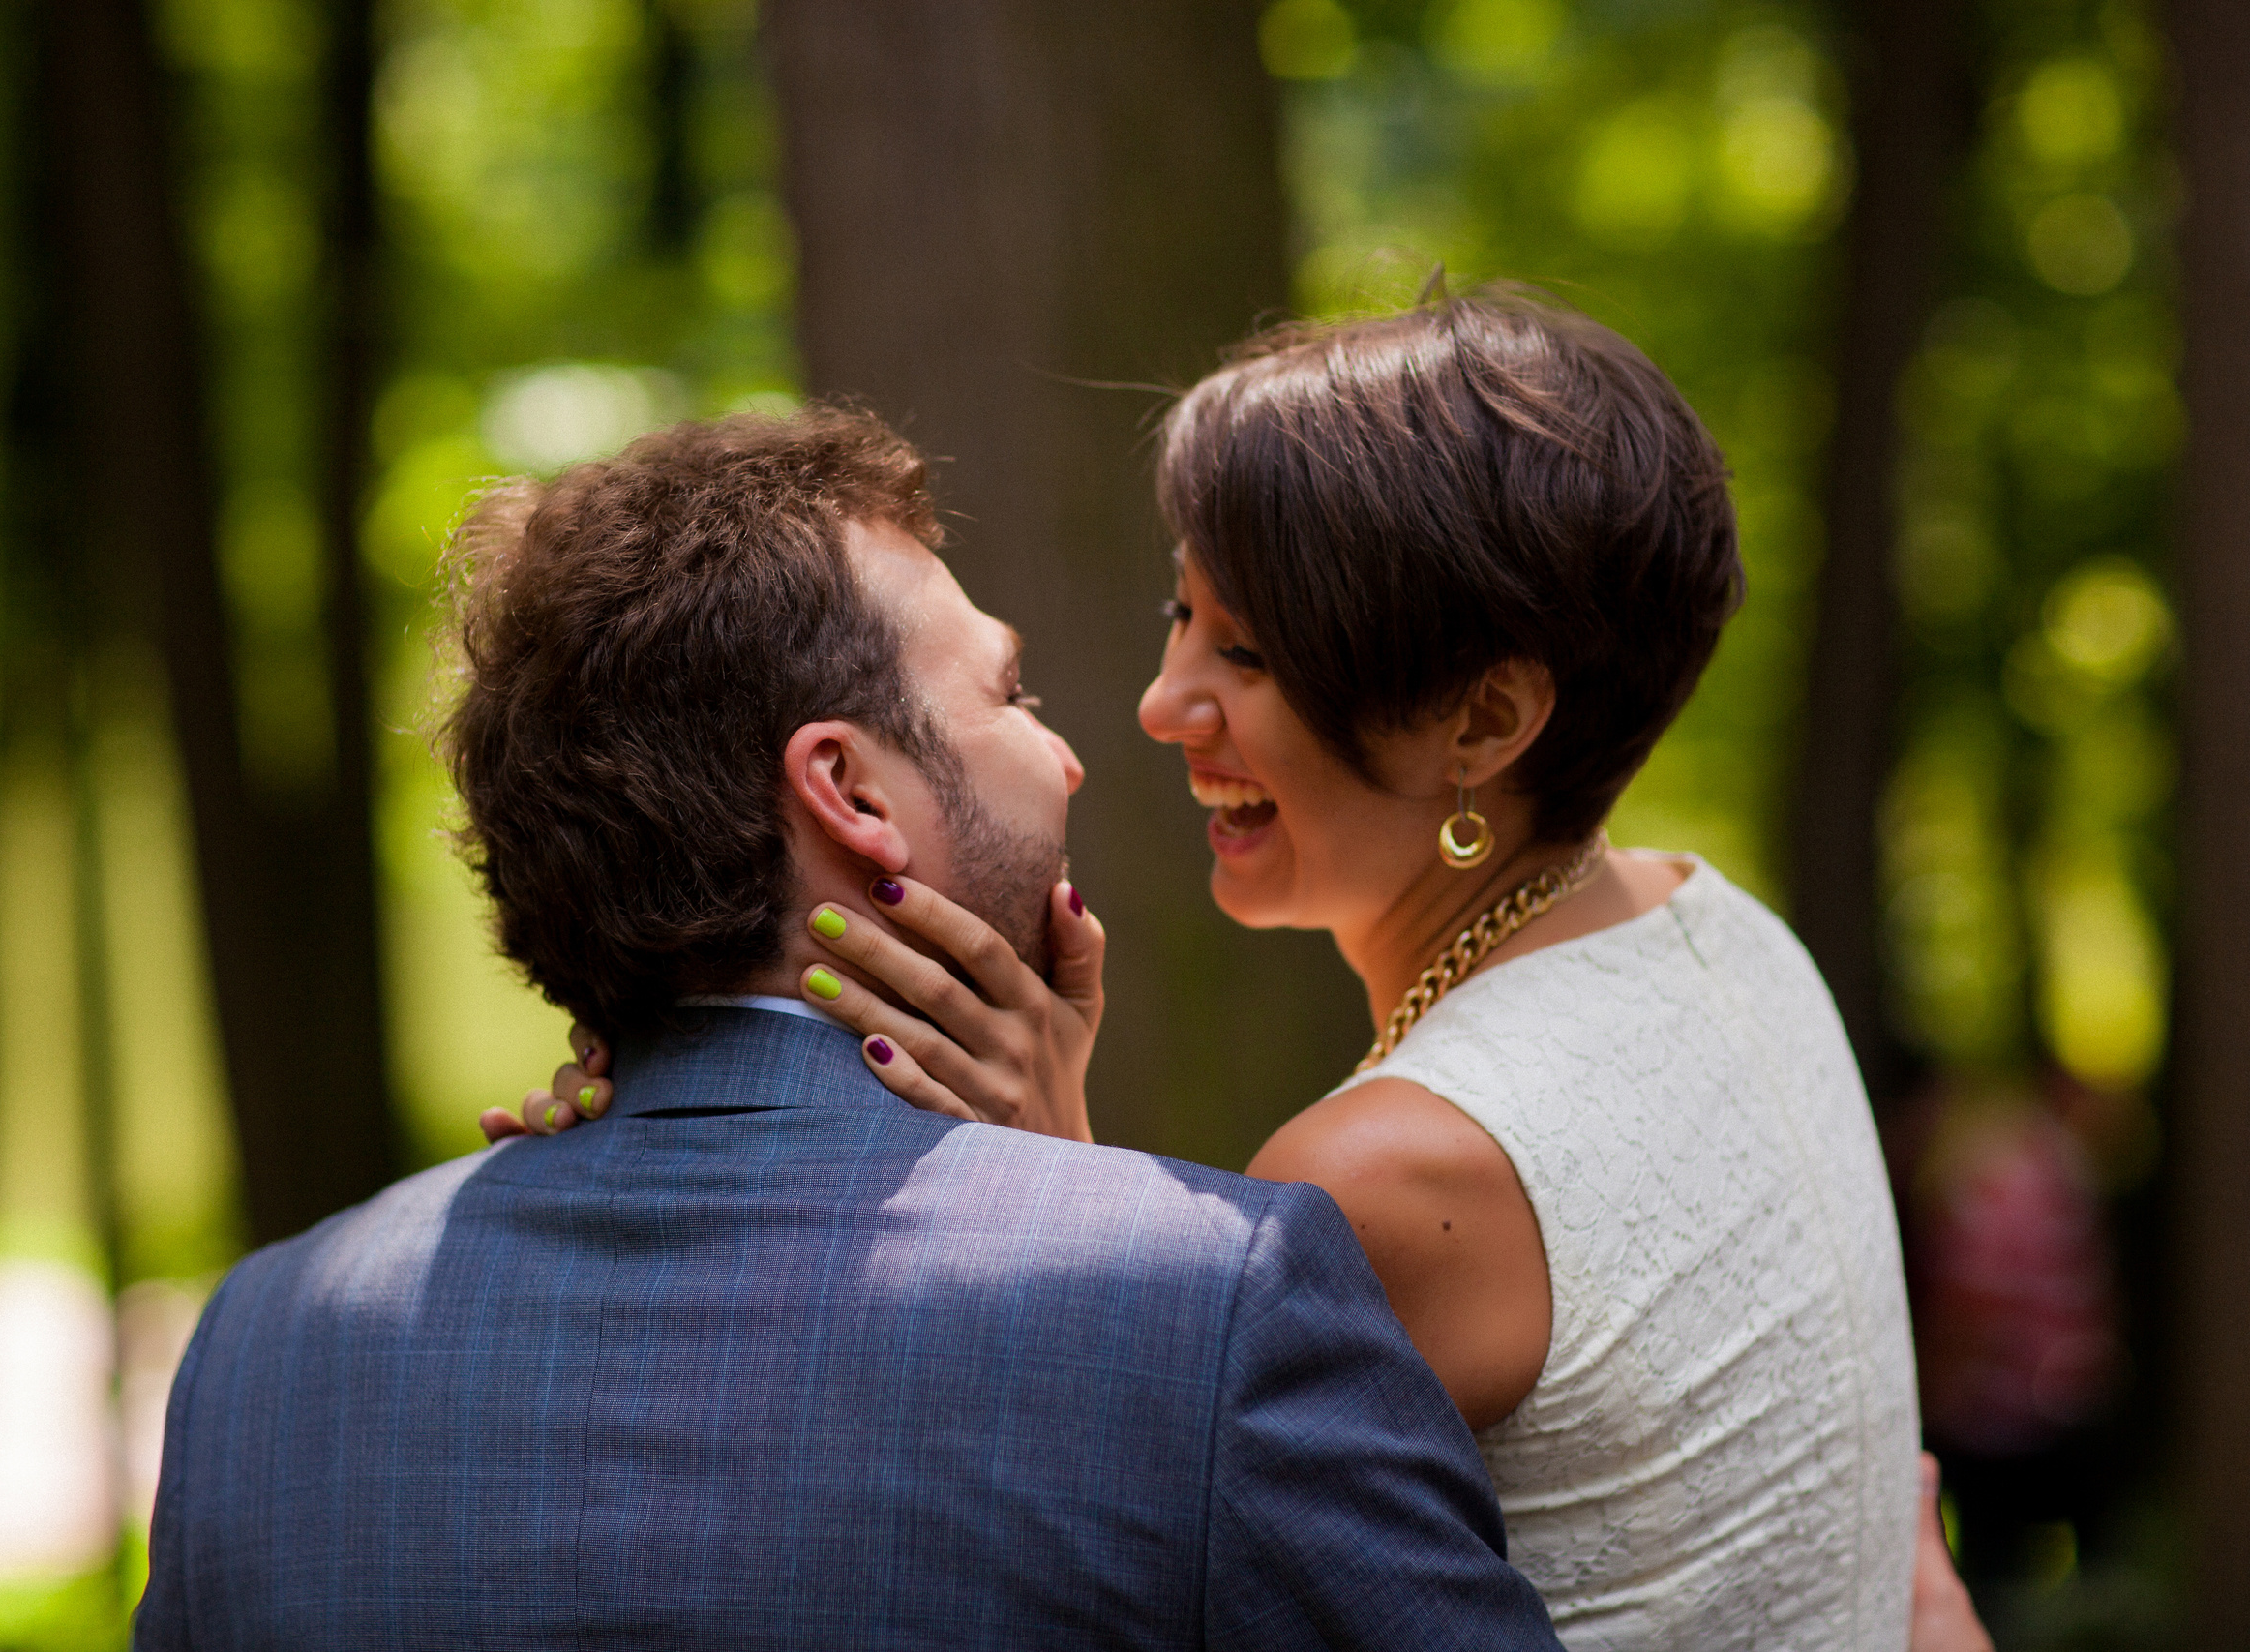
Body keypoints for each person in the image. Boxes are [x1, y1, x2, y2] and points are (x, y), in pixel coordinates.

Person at [516, 288, 1976, 1650]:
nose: (1162, 706)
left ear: (1484, 721)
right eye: (1182, 614)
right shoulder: (1721, 929)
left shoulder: (1392, 1173)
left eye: (1254, 656)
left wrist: (1051, 1192)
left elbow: (1093, 1573)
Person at [134, 409, 1563, 1649]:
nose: (1067, 751)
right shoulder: (1219, 1301)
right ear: (854, 791)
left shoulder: (264, 1341)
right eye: (1012, 693)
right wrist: (1111, 1216)